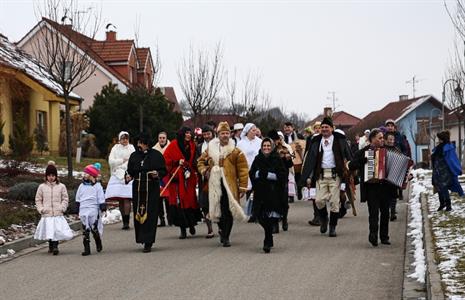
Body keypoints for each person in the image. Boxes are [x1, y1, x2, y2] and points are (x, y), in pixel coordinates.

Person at [197, 121, 249, 247]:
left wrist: (242, 186)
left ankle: (226, 236)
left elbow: (243, 169)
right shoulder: (211, 149)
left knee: (228, 211)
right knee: (217, 209)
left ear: (230, 135)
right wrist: (205, 171)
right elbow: (200, 162)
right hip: (215, 184)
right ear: (218, 134)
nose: (225, 135)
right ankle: (221, 229)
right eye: (222, 133)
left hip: (230, 185)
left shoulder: (236, 151)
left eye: (227, 133)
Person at [300, 117, 352, 237]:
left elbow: (349, 155)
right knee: (318, 201)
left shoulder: (340, 140)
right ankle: (324, 219)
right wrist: (304, 178)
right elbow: (309, 160)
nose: (324, 129)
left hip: (335, 175)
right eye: (322, 127)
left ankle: (332, 227)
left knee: (334, 202)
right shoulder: (316, 141)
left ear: (332, 129)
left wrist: (352, 170)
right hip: (321, 175)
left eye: (326, 127)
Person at [348, 129, 393, 246]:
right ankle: (373, 235)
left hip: (385, 186)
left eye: (383, 137)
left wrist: (406, 176)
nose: (382, 140)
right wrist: (363, 161)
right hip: (371, 187)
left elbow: (397, 167)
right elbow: (351, 165)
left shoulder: (388, 151)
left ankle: (384, 237)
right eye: (380, 138)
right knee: (373, 213)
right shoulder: (363, 152)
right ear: (372, 139)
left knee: (385, 213)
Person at [127, 132, 167, 252]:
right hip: (138, 189)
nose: (139, 145)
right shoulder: (134, 156)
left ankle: (148, 241)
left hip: (151, 188)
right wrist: (128, 176)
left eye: (141, 143)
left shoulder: (156, 155)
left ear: (147, 143)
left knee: (151, 213)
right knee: (138, 213)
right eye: (138, 142)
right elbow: (130, 171)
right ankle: (141, 238)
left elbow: (164, 171)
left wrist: (157, 174)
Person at [249, 138, 288, 253]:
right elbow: (251, 172)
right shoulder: (258, 158)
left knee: (270, 217)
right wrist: (257, 174)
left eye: (268, 146)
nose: (266, 148)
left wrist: (269, 175)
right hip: (260, 192)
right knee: (260, 217)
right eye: (264, 146)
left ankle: (267, 239)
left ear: (272, 147)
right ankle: (269, 235)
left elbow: (282, 175)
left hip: (273, 192)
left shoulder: (276, 158)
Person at [163, 127, 202, 239]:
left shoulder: (192, 145)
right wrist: (176, 162)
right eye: (187, 133)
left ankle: (191, 224)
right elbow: (165, 159)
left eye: (190, 133)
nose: (189, 135)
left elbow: (194, 160)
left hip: (188, 177)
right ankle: (182, 229)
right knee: (180, 202)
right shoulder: (173, 145)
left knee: (191, 201)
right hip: (177, 178)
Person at [34, 161, 74, 255]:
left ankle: (56, 246)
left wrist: (62, 207)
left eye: (53, 175)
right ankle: (51, 245)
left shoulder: (61, 186)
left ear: (56, 176)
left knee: (56, 230)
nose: (51, 177)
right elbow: (38, 199)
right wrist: (41, 209)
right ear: (46, 176)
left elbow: (65, 198)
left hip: (57, 212)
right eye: (49, 175)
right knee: (49, 230)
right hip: (47, 213)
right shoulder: (42, 187)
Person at [105, 131, 135, 230]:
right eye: (123, 138)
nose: (125, 140)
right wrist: (122, 160)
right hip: (117, 174)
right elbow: (111, 161)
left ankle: (127, 221)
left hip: (127, 175)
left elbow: (133, 160)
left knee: (126, 198)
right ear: (119, 139)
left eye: (126, 138)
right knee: (121, 199)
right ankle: (124, 220)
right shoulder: (115, 148)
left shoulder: (131, 148)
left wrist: (124, 166)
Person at [76, 163, 106, 256]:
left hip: (93, 209)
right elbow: (78, 198)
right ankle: (87, 249)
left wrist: (102, 207)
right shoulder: (81, 186)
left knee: (94, 228)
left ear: (92, 175)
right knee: (85, 230)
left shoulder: (97, 186)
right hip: (83, 209)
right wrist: (77, 208)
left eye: (86, 173)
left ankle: (98, 240)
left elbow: (101, 197)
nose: (84, 175)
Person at [432, 130, 464, 211]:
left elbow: (452, 160)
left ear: (442, 139)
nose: (438, 140)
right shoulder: (440, 147)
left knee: (443, 187)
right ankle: (442, 204)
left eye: (439, 138)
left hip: (445, 171)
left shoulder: (448, 147)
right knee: (438, 187)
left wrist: (457, 169)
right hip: (437, 170)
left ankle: (448, 205)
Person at [269, 130, 294, 232]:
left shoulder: (284, 149)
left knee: (283, 201)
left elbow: (290, 165)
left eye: (275, 140)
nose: (274, 142)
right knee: (273, 201)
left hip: (283, 179)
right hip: (270, 179)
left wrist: (287, 158)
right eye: (272, 140)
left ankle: (284, 219)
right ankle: (275, 223)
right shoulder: (266, 150)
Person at [237, 123, 262, 221]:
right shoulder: (241, 143)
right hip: (246, 169)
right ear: (247, 131)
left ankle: (258, 212)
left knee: (258, 191)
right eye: (253, 130)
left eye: (256, 130)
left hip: (257, 169)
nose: (255, 132)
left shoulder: (260, 142)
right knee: (249, 191)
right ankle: (251, 212)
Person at [197, 125, 215, 238]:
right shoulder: (199, 147)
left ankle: (222, 227)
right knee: (204, 204)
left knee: (218, 203)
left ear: (212, 133)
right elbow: (197, 161)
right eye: (204, 134)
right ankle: (210, 229)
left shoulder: (219, 144)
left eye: (208, 133)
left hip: (217, 177)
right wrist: (203, 171)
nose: (206, 136)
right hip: (204, 179)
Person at [153, 131, 171, 226]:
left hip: (168, 175)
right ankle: (162, 219)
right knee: (159, 198)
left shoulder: (171, 147)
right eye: (160, 138)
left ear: (166, 138)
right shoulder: (154, 149)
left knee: (168, 198)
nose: (162, 140)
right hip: (158, 175)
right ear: (158, 139)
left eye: (163, 138)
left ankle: (170, 218)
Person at [384, 131, 401, 221]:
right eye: (390, 139)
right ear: (385, 140)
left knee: (394, 195)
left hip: (394, 176)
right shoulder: (382, 149)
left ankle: (393, 213)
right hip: (384, 177)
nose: (391, 141)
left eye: (393, 139)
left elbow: (402, 162)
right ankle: (387, 212)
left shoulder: (397, 150)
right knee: (387, 196)